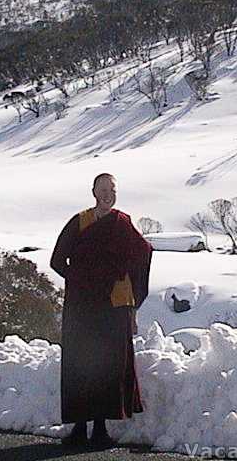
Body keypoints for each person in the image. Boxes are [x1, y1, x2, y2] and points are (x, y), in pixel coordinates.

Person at [50, 173, 154, 447]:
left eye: (112, 189)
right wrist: (81, 279)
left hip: (112, 305)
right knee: (80, 363)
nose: (107, 194)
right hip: (82, 306)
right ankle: (79, 427)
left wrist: (127, 286)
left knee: (107, 365)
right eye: (102, 189)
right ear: (93, 192)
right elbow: (57, 260)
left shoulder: (122, 223)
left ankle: (100, 427)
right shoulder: (80, 221)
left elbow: (143, 251)